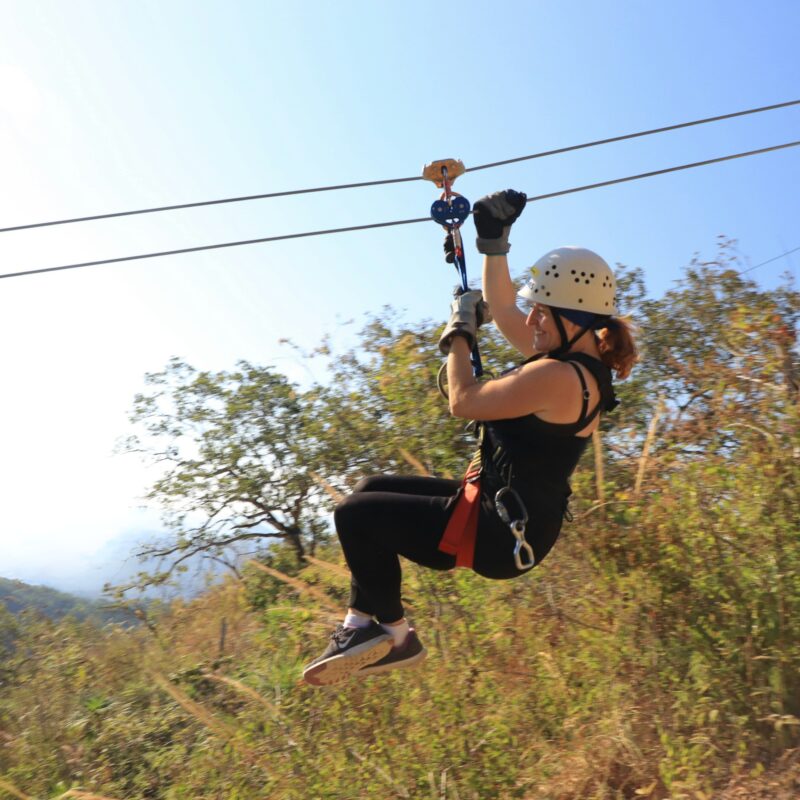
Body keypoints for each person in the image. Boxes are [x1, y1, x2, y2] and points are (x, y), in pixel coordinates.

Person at [302, 190, 638, 686]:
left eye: (540, 313)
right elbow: (503, 308)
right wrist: (493, 245)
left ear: (575, 319)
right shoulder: (575, 362)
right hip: (501, 513)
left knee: (354, 516)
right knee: (370, 489)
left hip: (500, 535)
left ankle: (396, 636)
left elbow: (464, 401)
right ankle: (359, 624)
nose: (530, 321)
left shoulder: (561, 378)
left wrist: (458, 333)